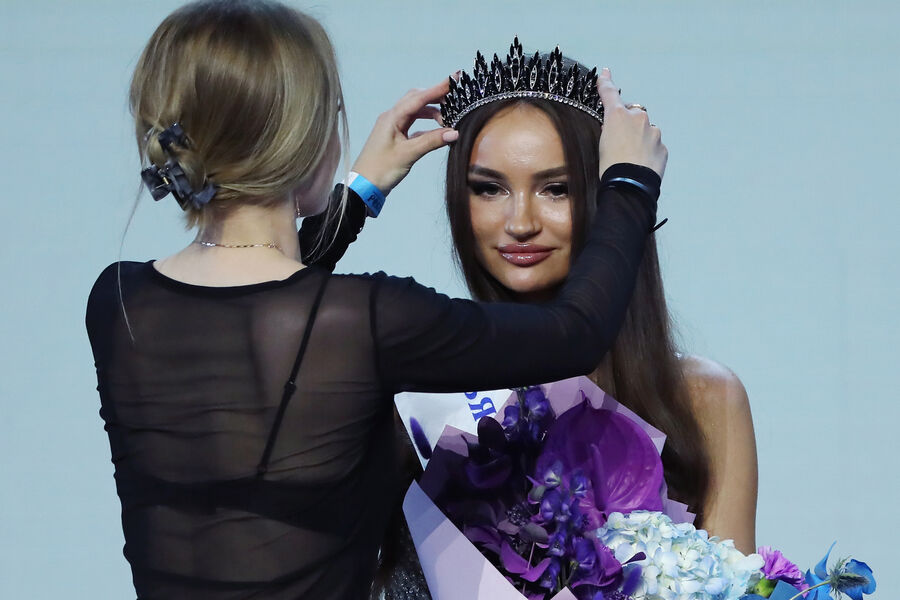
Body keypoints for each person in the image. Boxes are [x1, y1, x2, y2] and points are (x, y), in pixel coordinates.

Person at [85, 6, 666, 600]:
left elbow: (257, 304)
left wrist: (358, 194)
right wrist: (629, 181)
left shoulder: (119, 302)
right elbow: (577, 333)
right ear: (312, 141)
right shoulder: (365, 320)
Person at [441, 46, 758, 554]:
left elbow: (731, 582)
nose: (520, 223)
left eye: (556, 189)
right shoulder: (422, 388)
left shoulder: (703, 399)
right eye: (489, 189)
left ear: (606, 200)